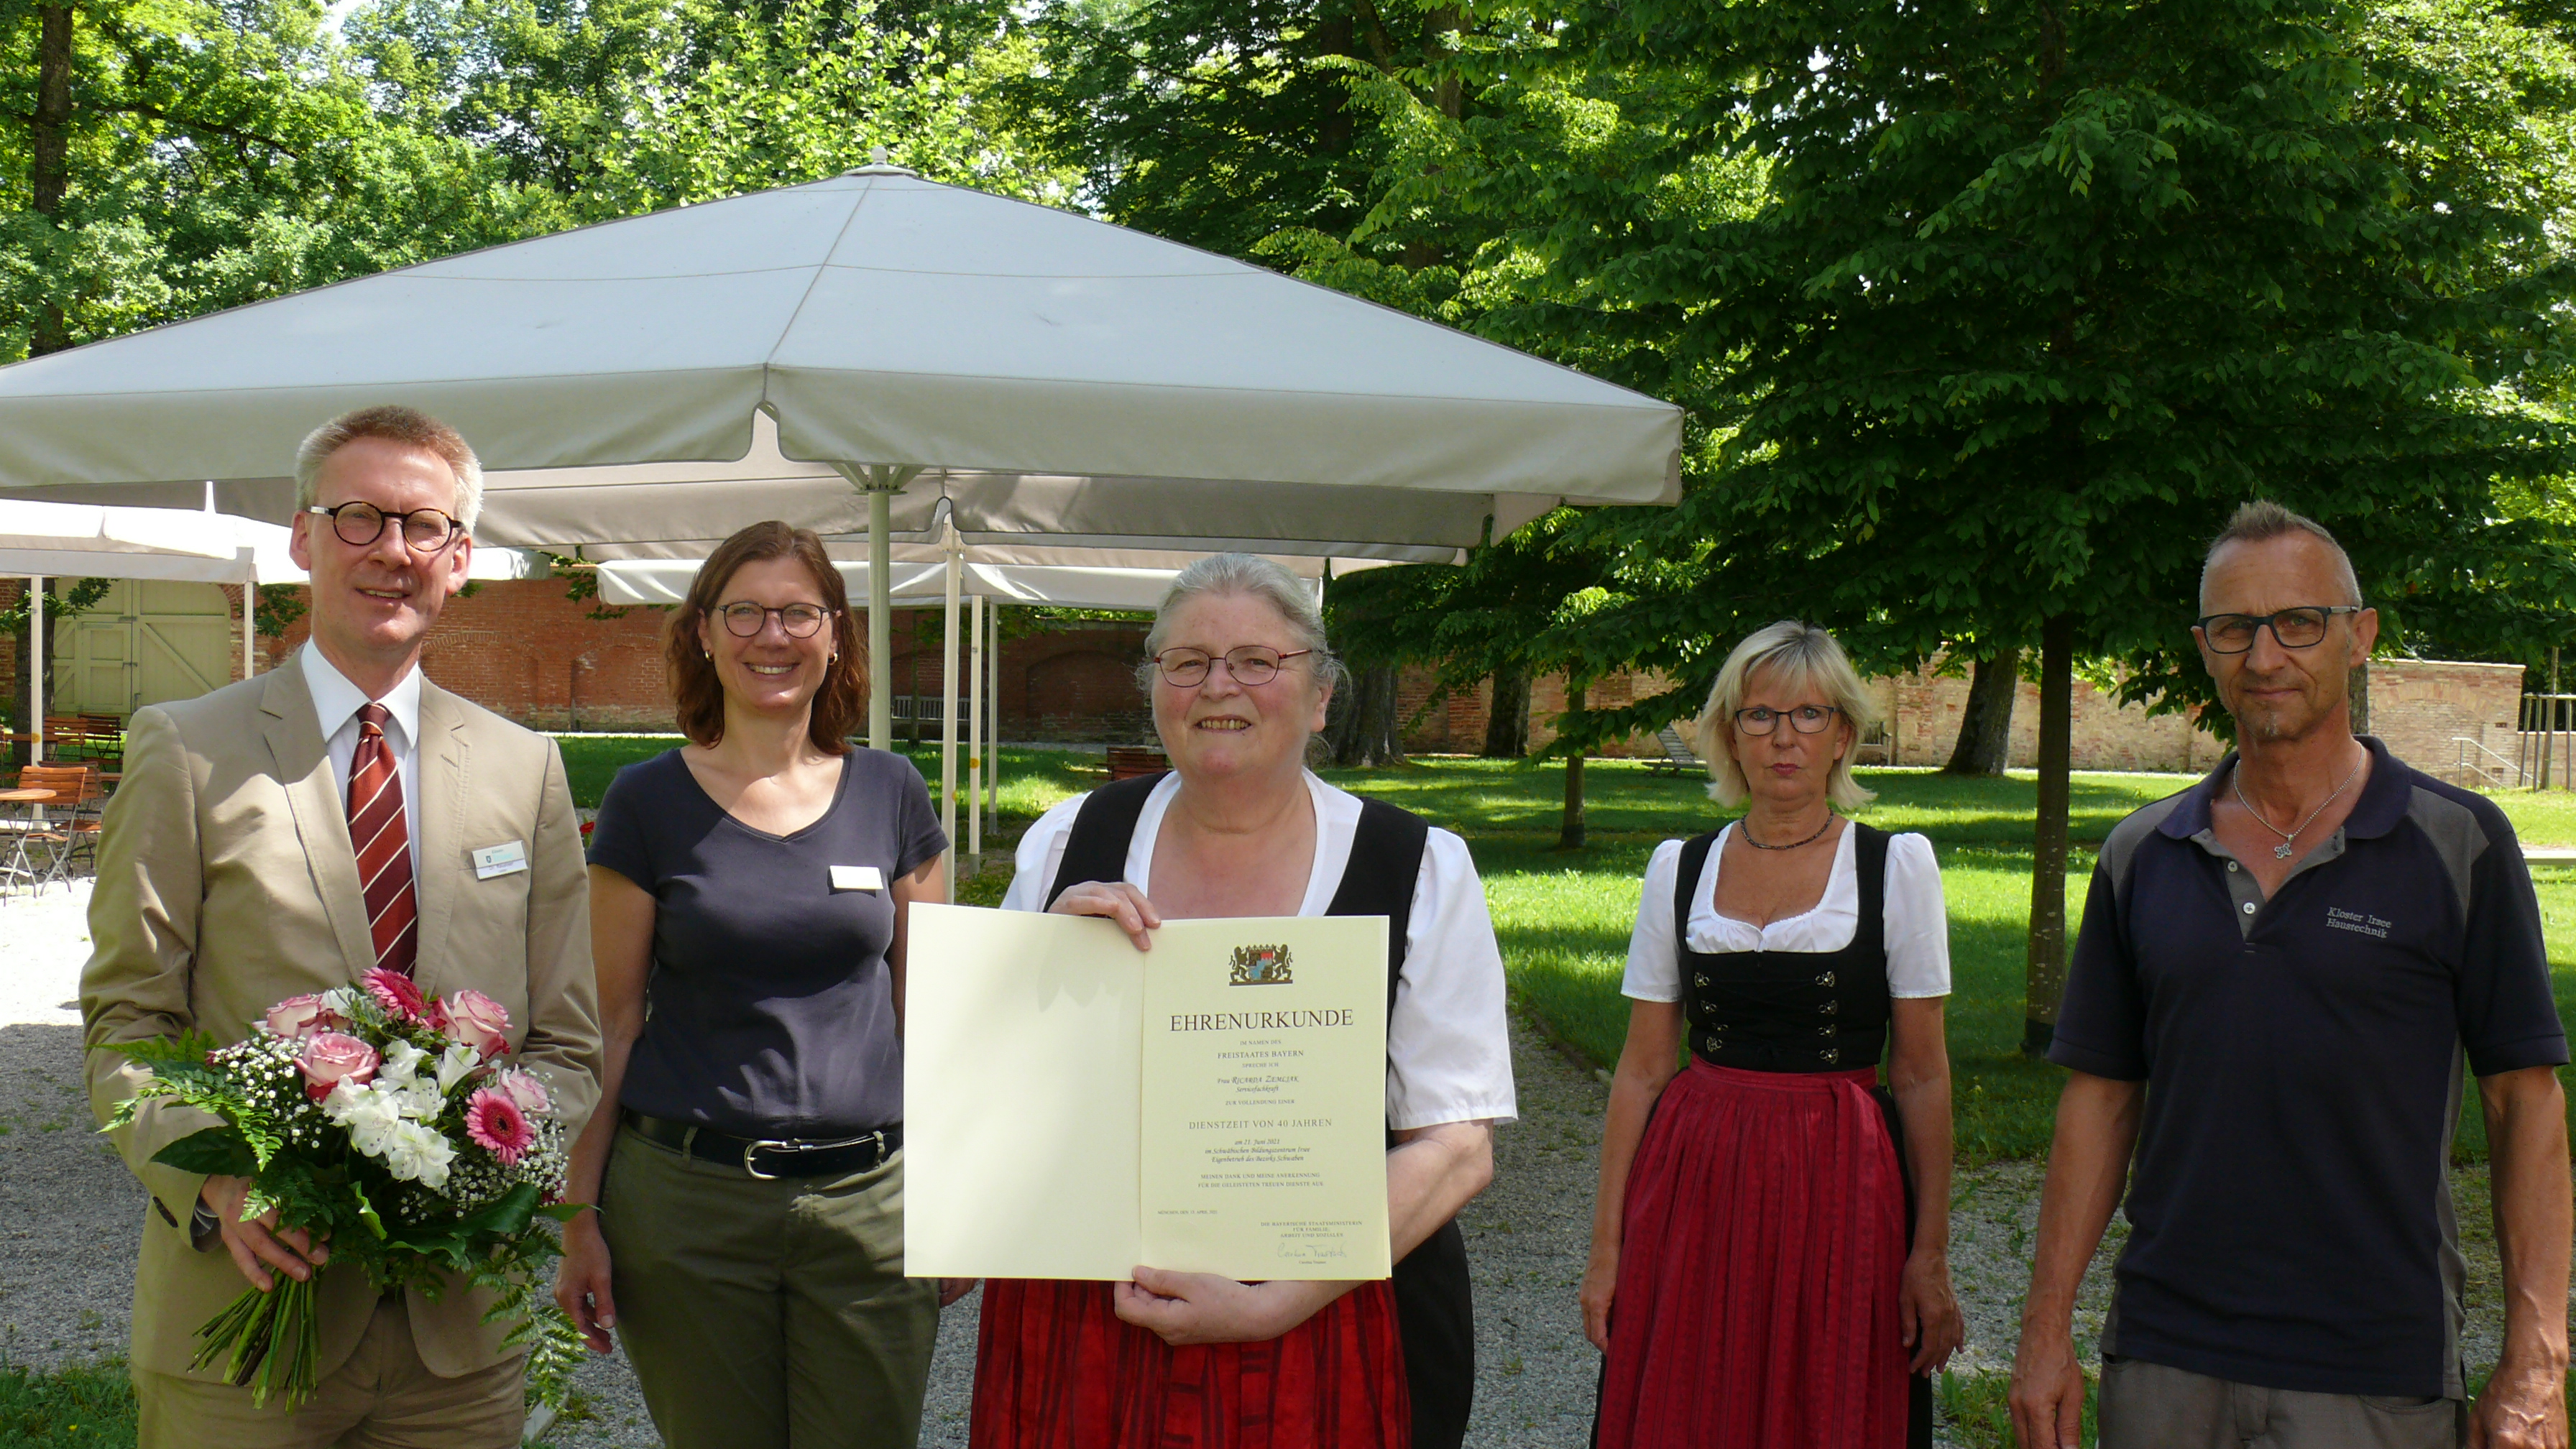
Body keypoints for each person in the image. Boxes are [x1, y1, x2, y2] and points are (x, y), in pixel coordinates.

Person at [82, 405, 601, 1447]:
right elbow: (125, 1027)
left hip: (455, 1352)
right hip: (245, 1326)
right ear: (302, 538)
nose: (392, 553)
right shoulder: (187, 749)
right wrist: (219, 1179)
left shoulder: (523, 768)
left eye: (424, 528)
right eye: (359, 518)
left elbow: (570, 1045)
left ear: (460, 560)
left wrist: (483, 1161)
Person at [2009, 501, 2572, 1449]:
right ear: (2204, 647)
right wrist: (2042, 1335)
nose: (2265, 657)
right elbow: (2098, 1103)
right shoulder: (2143, 854)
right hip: (2164, 1363)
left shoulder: (2458, 843)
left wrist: (2537, 1363)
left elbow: (2527, 1105)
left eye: (2298, 624)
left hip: (2374, 1373)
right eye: (2234, 628)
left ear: (2360, 637)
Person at [969, 552, 1514, 1449]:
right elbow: (985, 1082)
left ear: (1321, 696)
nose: (1218, 685)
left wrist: (1273, 1303)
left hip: (1326, 1317)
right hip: (1090, 1305)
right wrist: (1040, 967)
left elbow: (1455, 1147)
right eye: (1187, 663)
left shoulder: (1418, 864)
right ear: (1154, 689)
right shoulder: (1071, 838)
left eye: (1258, 661)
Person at [553, 520, 952, 1449]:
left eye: (797, 613)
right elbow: (608, 1024)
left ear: (836, 634)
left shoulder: (892, 793)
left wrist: (958, 1199)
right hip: (688, 1208)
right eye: (745, 612)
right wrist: (578, 1221)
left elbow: (939, 1017)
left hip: (873, 1206)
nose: (772, 636)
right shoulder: (647, 803)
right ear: (702, 631)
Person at [1583, 621, 1961, 1449]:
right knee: (1689, 1402)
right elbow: (1642, 1071)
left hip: (1841, 1177)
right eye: (1758, 716)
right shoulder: (1677, 869)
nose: (1782, 736)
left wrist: (1926, 1254)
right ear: (1728, 733)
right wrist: (1606, 1247)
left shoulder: (1894, 869)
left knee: (1821, 1398)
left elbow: (1924, 1075)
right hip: (1695, 1177)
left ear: (1842, 736)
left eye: (1808, 715)